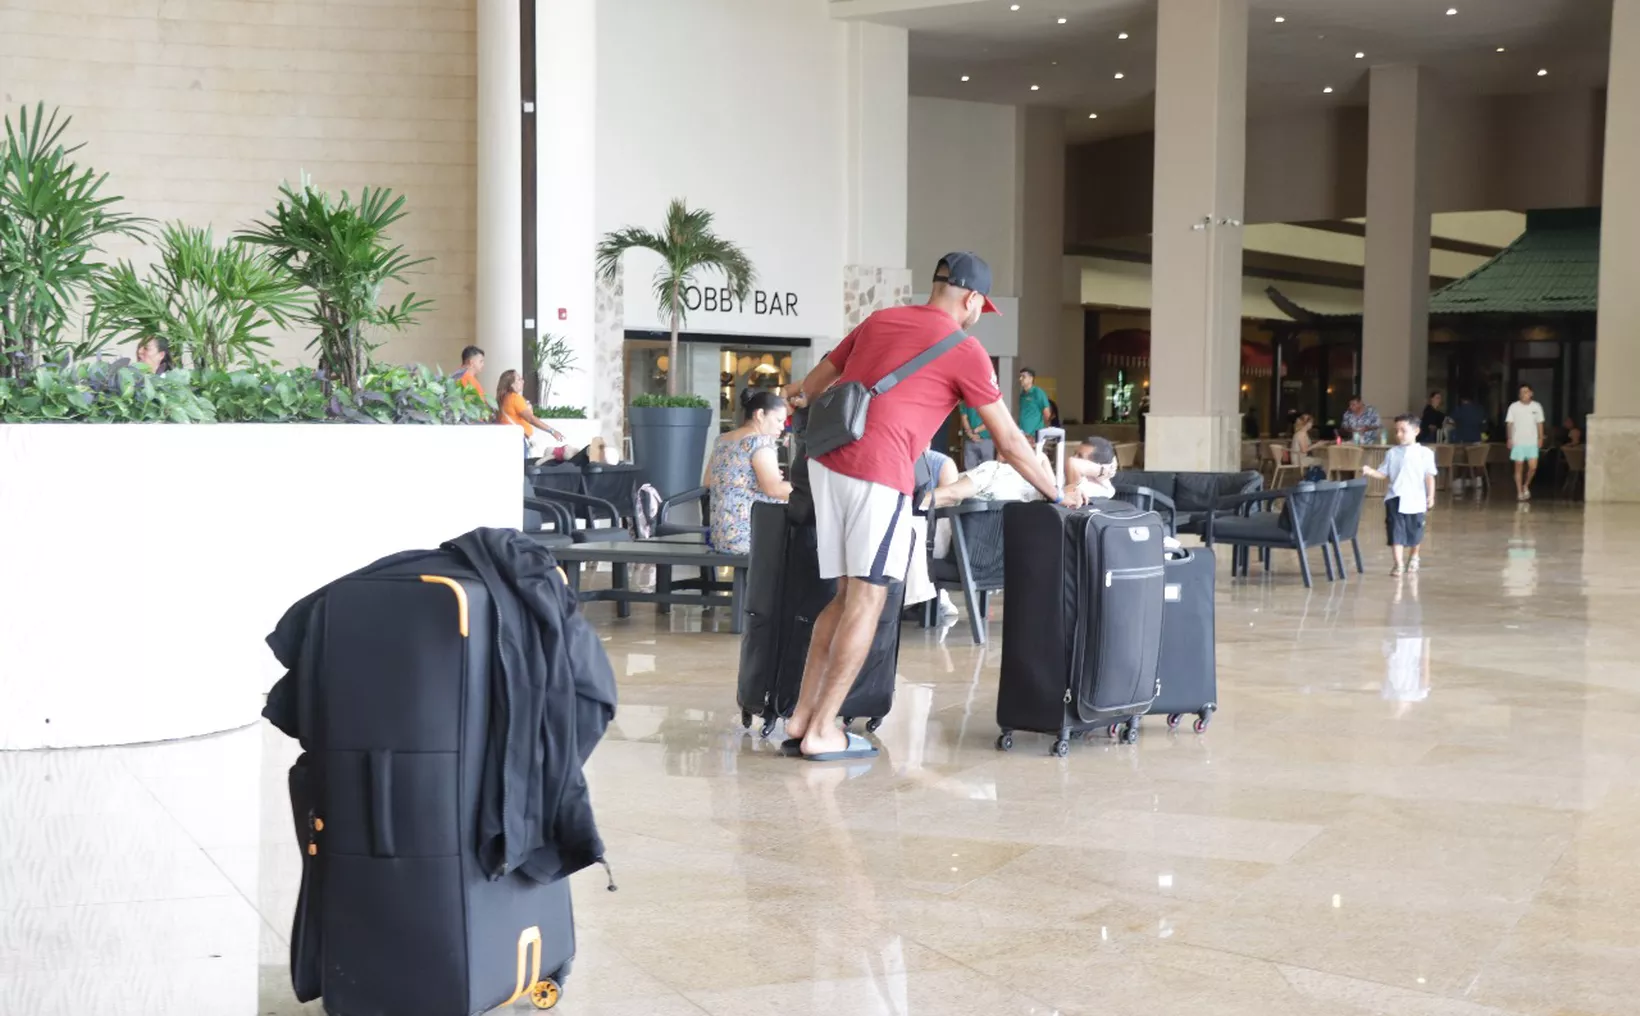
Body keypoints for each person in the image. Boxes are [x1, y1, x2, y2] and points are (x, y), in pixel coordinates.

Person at [783, 252, 1064, 762]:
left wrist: (791, 399)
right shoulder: (965, 348)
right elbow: (1010, 442)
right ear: (972, 298)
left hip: (826, 460)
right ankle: (823, 730)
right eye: (983, 306)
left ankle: (802, 716)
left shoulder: (879, 320)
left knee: (845, 595)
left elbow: (812, 386)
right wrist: (1058, 493)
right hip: (877, 468)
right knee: (868, 599)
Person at [926, 436, 1118, 510]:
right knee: (948, 477)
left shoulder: (1091, 490)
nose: (1074, 457)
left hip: (1005, 490)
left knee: (950, 484)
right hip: (1014, 489)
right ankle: (918, 499)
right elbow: (1051, 485)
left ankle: (915, 502)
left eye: (1081, 456)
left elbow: (1072, 466)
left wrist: (1103, 469)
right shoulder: (1093, 486)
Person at [706, 389, 791, 555]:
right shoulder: (760, 442)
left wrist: (750, 479)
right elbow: (774, 489)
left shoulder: (722, 440)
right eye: (779, 420)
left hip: (721, 535)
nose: (782, 427)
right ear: (760, 415)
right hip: (752, 536)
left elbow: (708, 481)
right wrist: (810, 491)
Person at [1362, 414, 1437, 577]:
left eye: (1403, 431)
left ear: (1416, 431)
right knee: (1396, 531)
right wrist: (1370, 471)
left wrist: (1430, 496)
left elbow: (1429, 476)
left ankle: (1414, 556)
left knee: (1415, 533)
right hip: (1395, 498)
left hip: (1416, 500)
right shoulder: (1392, 453)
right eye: (1397, 431)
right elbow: (1384, 474)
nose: (1399, 435)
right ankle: (1398, 564)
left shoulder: (1425, 453)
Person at [495, 369, 565, 457]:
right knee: (522, 468)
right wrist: (552, 431)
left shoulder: (503, 399)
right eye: (519, 379)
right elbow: (530, 418)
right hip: (517, 440)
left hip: (507, 439)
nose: (523, 381)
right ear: (512, 384)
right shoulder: (515, 398)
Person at [1506, 384, 1546, 501]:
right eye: (1522, 392)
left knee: (1533, 467)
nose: (1524, 394)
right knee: (1518, 467)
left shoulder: (1537, 406)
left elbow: (1540, 423)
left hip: (1532, 442)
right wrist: (1509, 438)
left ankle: (1525, 485)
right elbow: (1509, 423)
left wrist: (1540, 438)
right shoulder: (1513, 407)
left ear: (1531, 393)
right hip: (1518, 441)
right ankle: (1519, 491)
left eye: (1526, 392)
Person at [1017, 368, 1051, 438]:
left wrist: (1041, 431)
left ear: (1031, 378)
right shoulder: (1022, 395)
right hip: (1023, 435)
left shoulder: (1038, 392)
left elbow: (1047, 414)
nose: (1020, 379)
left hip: (1034, 436)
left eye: (1023, 376)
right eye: (1020, 376)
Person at [959, 401, 994, 469]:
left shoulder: (966, 400)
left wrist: (971, 434)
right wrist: (975, 432)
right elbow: (991, 420)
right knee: (987, 470)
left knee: (970, 470)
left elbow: (964, 418)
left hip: (972, 439)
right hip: (985, 439)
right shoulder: (989, 400)